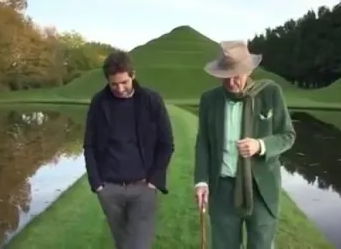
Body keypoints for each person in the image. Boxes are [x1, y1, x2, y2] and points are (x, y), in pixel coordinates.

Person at [193, 40, 296, 249]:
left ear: (248, 70)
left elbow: (288, 135)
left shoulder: (270, 93)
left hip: (261, 188)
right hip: (222, 187)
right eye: (225, 76)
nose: (231, 82)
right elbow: (203, 142)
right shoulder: (209, 100)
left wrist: (260, 145)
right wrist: (201, 181)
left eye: (236, 75)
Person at [83, 51, 174, 249]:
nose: (120, 89)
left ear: (133, 75)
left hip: (143, 187)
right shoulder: (99, 102)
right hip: (109, 188)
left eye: (124, 82)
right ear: (107, 80)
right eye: (114, 84)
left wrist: (154, 181)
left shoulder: (151, 100)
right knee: (123, 244)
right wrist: (97, 183)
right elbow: (89, 144)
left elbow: (166, 143)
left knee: (139, 245)